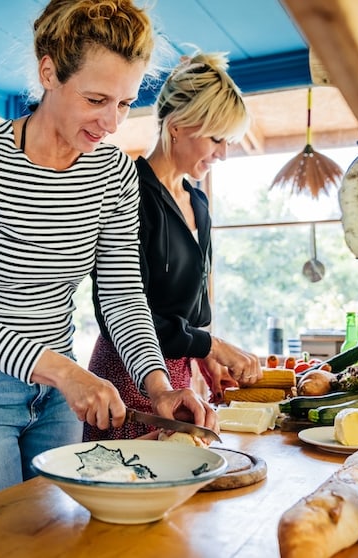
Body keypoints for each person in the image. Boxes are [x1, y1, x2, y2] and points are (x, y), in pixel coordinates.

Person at [0, 0, 216, 514]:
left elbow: (123, 297)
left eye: (124, 103)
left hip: (58, 395)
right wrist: (66, 373)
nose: (110, 123)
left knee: (55, 540)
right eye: (96, 99)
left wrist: (159, 387)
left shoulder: (115, 174)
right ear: (49, 71)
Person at [85, 51, 263, 442]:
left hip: (181, 374)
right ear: (178, 126)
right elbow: (128, 309)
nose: (223, 153)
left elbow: (190, 308)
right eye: (217, 139)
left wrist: (202, 355)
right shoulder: (127, 190)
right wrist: (213, 346)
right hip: (127, 375)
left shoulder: (198, 201)